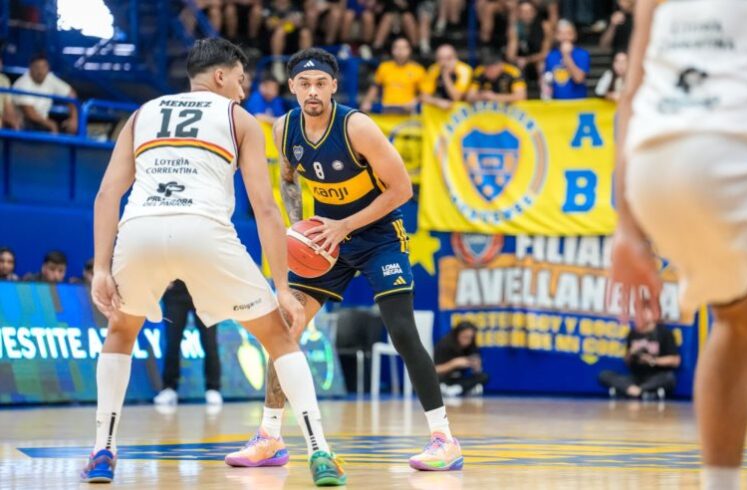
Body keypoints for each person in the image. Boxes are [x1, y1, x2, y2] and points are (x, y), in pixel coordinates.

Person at [80, 38, 345, 486]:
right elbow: (265, 209)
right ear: (220, 76)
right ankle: (319, 452)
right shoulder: (238, 118)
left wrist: (102, 268)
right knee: (279, 338)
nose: (243, 91)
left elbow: (107, 194)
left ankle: (102, 451)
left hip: (140, 228)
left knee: (121, 331)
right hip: (203, 230)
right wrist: (283, 287)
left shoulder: (142, 115)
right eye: (240, 81)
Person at [227, 47, 463, 472]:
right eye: (304, 84)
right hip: (326, 239)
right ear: (292, 87)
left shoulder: (358, 127)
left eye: (321, 83)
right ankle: (269, 437)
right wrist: (300, 230)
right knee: (286, 326)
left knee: (402, 331)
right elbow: (288, 180)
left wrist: (345, 225)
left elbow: (401, 190)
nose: (312, 91)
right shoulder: (284, 129)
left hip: (378, 236)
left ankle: (444, 438)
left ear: (334, 86)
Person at [609, 2, 747, 489]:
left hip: (657, 169)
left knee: (739, 321)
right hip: (738, 146)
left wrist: (627, 227)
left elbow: (630, 96)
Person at [153, 280, 223, 407]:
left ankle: (213, 388)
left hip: (204, 291)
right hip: (175, 291)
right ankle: (169, 388)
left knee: (210, 342)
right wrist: (161, 278)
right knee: (172, 342)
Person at [598, 321, 680, 399]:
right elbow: (626, 361)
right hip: (635, 378)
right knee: (604, 375)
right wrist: (631, 352)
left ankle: (638, 390)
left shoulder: (664, 333)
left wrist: (652, 361)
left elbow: (675, 361)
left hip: (655, 376)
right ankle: (639, 391)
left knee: (669, 378)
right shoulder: (633, 333)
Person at [12, 53, 78, 134]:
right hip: (25, 123)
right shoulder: (23, 83)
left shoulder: (50, 78)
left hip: (42, 123)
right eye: (37, 67)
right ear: (30, 68)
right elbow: (30, 113)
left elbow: (71, 94)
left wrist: (74, 119)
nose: (40, 71)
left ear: (48, 68)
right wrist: (51, 125)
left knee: (72, 127)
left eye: (43, 67)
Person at [360, 37, 426, 114]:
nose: (400, 51)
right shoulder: (384, 67)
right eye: (397, 48)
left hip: (408, 111)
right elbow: (375, 87)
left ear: (409, 50)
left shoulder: (418, 69)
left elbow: (425, 94)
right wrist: (367, 102)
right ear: (392, 50)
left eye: (404, 48)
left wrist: (414, 102)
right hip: (387, 109)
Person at [434, 321, 489, 397]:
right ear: (457, 334)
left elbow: (477, 371)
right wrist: (454, 364)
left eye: (470, 338)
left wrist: (476, 366)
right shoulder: (444, 345)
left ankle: (456, 389)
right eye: (465, 337)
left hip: (460, 380)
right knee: (434, 380)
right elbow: (436, 370)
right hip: (445, 378)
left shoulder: (471, 346)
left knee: (484, 376)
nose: (468, 341)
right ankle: (461, 389)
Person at [543, 19, 589, 100]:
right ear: (556, 36)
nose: (565, 37)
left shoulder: (582, 54)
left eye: (568, 33)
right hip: (556, 102)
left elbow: (578, 78)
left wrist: (566, 56)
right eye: (561, 33)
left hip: (578, 102)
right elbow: (547, 80)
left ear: (574, 35)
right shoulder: (551, 56)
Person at [419, 44, 473, 110]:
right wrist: (437, 102)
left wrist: (445, 75)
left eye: (449, 58)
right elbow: (423, 96)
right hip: (440, 111)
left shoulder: (464, 70)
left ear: (455, 58)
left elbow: (456, 97)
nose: (445, 62)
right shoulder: (434, 69)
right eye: (441, 59)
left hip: (462, 111)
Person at [0, 56, 20, 130]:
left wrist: (12, 119)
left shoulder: (4, 80)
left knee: (17, 120)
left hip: (2, 117)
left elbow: (8, 105)